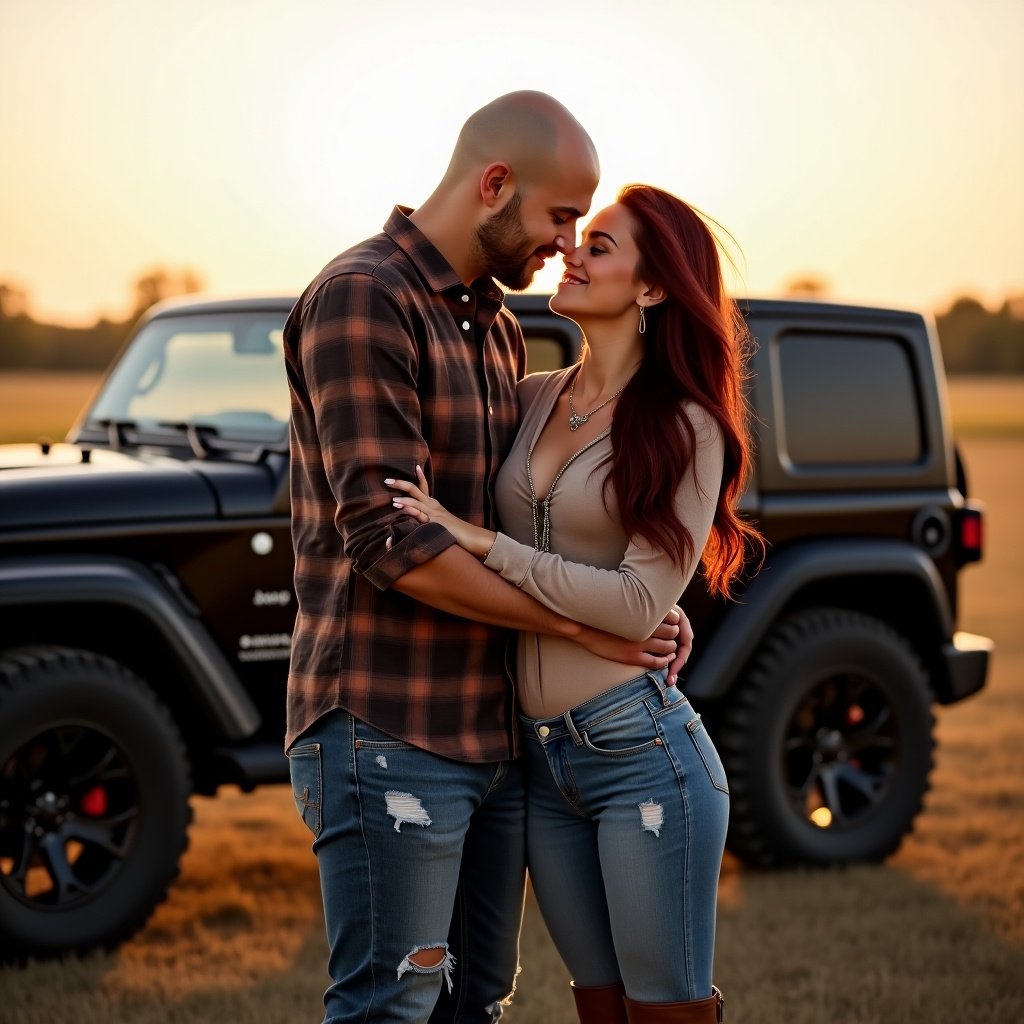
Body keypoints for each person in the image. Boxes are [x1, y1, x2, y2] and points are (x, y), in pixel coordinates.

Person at [283, 94, 692, 1024]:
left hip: (494, 734)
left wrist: (643, 599)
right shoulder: (366, 297)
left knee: (477, 1004)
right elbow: (395, 547)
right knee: (391, 1006)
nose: (567, 242)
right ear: (495, 185)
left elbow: (530, 525)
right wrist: (574, 621)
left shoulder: (498, 327)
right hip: (386, 725)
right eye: (559, 217)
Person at [388, 183, 763, 1023]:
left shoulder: (685, 425)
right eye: (578, 239)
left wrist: (488, 544)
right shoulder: (530, 396)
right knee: (598, 1007)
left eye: (600, 246)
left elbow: (634, 605)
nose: (572, 253)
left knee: (662, 1011)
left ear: (652, 287)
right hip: (536, 763)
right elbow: (616, 589)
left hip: (641, 756)